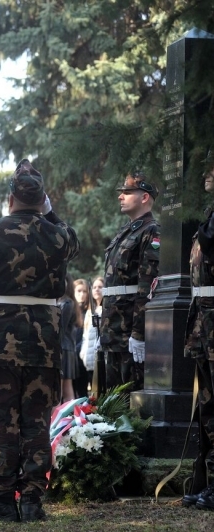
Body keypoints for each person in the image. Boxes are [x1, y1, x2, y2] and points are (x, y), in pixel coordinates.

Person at [0, 159, 79, 522]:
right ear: (43, 200)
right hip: (44, 345)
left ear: (10, 199)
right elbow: (73, 243)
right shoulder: (58, 235)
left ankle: (2, 501)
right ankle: (33, 501)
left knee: (0, 421)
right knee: (37, 421)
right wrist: (50, 215)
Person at [100, 172, 160, 394]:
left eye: (127, 192)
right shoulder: (125, 232)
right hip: (113, 331)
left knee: (131, 400)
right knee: (112, 404)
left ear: (144, 197)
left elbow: (147, 287)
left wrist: (139, 333)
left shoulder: (151, 231)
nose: (120, 196)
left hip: (128, 332)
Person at [181, 160, 214, 511]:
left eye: (211, 169)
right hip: (204, 325)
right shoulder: (208, 212)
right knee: (208, 408)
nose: (205, 174)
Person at [81, 277, 104, 389]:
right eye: (94, 287)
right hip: (89, 357)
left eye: (100, 287)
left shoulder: (106, 309)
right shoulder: (90, 311)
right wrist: (83, 353)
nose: (97, 289)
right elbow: (85, 335)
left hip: (102, 356)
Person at [58, 275, 78, 401]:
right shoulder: (65, 302)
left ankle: (62, 420)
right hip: (65, 347)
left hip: (63, 348)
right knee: (65, 387)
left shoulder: (66, 303)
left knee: (62, 388)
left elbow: (61, 328)